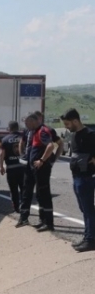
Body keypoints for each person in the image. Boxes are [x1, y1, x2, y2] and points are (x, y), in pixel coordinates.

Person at [61, 108, 95, 252]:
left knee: (88, 210)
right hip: (76, 177)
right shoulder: (74, 135)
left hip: (87, 177)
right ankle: (88, 236)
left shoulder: (90, 134)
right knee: (84, 209)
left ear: (75, 121)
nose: (66, 127)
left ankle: (90, 240)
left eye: (68, 124)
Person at [17, 113, 56, 231]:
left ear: (34, 121)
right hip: (31, 168)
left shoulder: (43, 131)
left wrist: (42, 160)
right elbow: (25, 145)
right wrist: (23, 156)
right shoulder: (32, 132)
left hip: (41, 169)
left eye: (28, 123)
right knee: (27, 192)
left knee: (43, 195)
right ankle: (27, 218)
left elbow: (51, 146)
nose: (26, 125)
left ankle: (48, 223)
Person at [0, 121, 25, 213]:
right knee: (23, 189)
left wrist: (1, 166)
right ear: (18, 128)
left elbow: (2, 154)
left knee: (13, 190)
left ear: (9, 129)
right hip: (23, 168)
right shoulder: (23, 137)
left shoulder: (5, 139)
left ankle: (16, 208)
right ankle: (24, 207)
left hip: (11, 169)